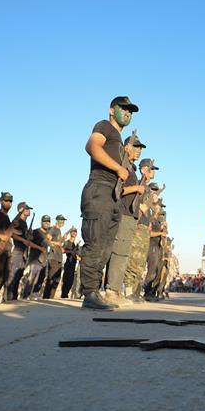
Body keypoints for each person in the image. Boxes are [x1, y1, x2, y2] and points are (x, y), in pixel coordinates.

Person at [80, 96, 137, 310]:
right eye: (124, 109)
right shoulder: (104, 126)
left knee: (105, 247)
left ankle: (95, 292)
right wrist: (117, 168)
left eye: (130, 111)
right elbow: (92, 146)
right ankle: (89, 294)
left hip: (112, 196)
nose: (128, 113)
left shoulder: (120, 141)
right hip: (99, 190)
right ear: (112, 110)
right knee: (95, 243)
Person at [105, 132, 146, 305]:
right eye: (135, 147)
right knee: (119, 251)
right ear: (126, 147)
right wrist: (137, 187)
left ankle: (114, 290)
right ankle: (111, 291)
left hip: (130, 215)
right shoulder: (124, 166)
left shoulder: (131, 168)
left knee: (123, 253)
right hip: (123, 213)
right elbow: (118, 190)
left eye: (140, 148)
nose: (138, 151)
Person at [124, 166, 160, 302]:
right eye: (151, 169)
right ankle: (128, 291)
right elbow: (133, 202)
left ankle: (134, 291)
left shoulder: (146, 188)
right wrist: (141, 207)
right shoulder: (140, 184)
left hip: (144, 228)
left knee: (140, 263)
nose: (153, 172)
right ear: (144, 170)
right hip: (137, 226)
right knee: (133, 260)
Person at [6, 202, 32, 301]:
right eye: (26, 208)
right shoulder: (17, 220)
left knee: (18, 275)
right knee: (12, 276)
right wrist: (23, 240)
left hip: (24, 252)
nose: (28, 210)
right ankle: (8, 298)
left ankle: (14, 298)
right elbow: (11, 233)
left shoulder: (24, 223)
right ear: (20, 209)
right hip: (18, 251)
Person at [43, 215, 67, 298]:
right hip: (53, 257)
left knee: (57, 278)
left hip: (59, 257)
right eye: (61, 220)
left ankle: (51, 297)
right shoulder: (52, 228)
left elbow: (59, 243)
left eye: (63, 220)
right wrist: (56, 243)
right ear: (57, 220)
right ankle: (46, 297)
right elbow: (47, 240)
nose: (62, 222)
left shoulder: (59, 230)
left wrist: (62, 242)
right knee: (51, 277)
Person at [61, 227, 79, 299]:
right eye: (73, 232)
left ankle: (66, 294)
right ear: (70, 233)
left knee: (71, 281)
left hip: (73, 264)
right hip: (68, 263)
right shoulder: (67, 242)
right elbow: (62, 250)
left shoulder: (75, 244)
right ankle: (63, 295)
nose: (74, 233)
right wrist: (70, 252)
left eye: (75, 232)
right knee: (66, 279)